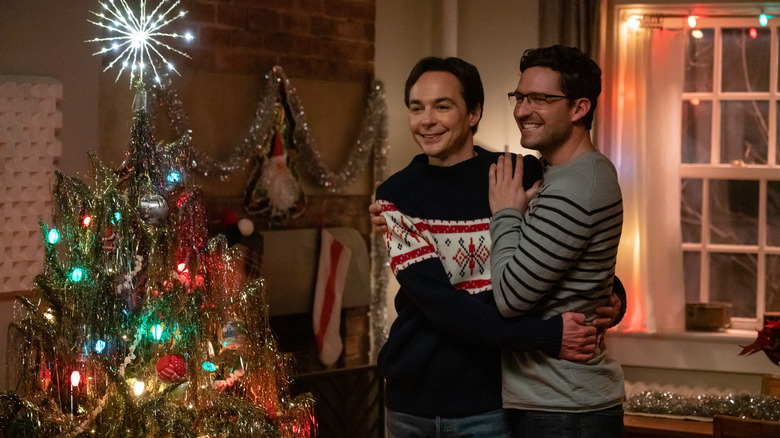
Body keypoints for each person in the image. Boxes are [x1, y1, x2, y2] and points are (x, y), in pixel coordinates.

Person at [371, 56, 625, 438]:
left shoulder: (518, 175)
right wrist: (546, 336)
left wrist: (612, 295)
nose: (427, 120)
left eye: (442, 106)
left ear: (474, 113)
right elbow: (442, 305)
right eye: (416, 107)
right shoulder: (395, 196)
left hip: (490, 401)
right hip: (413, 400)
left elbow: (566, 250)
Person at [488, 45, 624, 437]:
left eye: (541, 99)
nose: (522, 110)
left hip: (564, 408)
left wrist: (506, 213)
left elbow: (511, 297)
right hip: (558, 403)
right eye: (520, 96)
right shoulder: (565, 175)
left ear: (580, 108)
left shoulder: (576, 185)